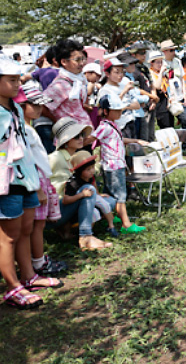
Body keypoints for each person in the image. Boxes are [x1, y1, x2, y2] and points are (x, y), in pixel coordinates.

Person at [1, 60, 63, 310]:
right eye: (11, 80)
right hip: (7, 180)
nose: (17, 84)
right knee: (7, 236)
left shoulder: (16, 109)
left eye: (18, 79)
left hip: (26, 177)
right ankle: (12, 287)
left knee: (25, 228)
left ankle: (29, 276)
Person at [15, 82, 67, 276]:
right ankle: (38, 262)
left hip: (39, 180)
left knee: (38, 225)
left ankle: (36, 259)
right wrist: (38, 188)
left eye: (39, 105)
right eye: (33, 105)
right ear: (21, 106)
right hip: (34, 181)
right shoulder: (24, 130)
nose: (38, 109)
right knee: (36, 225)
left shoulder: (29, 128)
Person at [48, 117, 112, 250]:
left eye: (82, 135)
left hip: (69, 203)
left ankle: (68, 231)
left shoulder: (74, 157)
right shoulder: (55, 158)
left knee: (110, 202)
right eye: (76, 136)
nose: (81, 138)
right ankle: (85, 236)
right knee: (89, 190)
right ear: (65, 140)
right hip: (55, 209)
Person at [89, 94, 147, 234]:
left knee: (111, 193)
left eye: (120, 110)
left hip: (114, 165)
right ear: (105, 111)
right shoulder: (104, 126)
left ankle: (113, 216)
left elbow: (119, 138)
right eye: (116, 110)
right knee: (120, 195)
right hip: (113, 166)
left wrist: (136, 141)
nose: (119, 112)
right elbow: (92, 138)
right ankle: (126, 224)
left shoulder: (112, 125)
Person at [42, 39, 92, 129]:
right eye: (77, 60)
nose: (81, 63)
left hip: (83, 135)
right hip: (70, 138)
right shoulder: (60, 85)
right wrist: (59, 122)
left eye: (83, 59)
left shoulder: (78, 81)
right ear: (64, 62)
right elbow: (42, 107)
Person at [66, 151, 118, 237]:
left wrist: (98, 194)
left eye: (93, 167)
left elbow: (93, 187)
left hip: (89, 203)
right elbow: (66, 200)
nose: (92, 171)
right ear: (79, 171)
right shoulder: (73, 183)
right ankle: (83, 233)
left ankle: (109, 226)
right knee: (98, 206)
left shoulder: (90, 177)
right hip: (76, 209)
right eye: (88, 169)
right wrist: (81, 194)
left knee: (101, 208)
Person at [97, 58, 147, 139]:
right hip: (119, 126)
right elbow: (107, 111)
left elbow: (137, 105)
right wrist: (124, 93)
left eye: (122, 72)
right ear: (107, 73)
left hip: (130, 122)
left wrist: (124, 106)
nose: (120, 75)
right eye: (117, 72)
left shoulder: (124, 85)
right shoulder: (105, 90)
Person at [129, 43, 158, 142]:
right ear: (134, 55)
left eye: (144, 53)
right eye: (141, 53)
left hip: (151, 103)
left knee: (151, 133)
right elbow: (136, 90)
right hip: (141, 106)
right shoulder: (133, 70)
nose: (144, 55)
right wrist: (152, 97)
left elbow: (151, 84)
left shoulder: (145, 68)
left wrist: (154, 99)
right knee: (143, 134)